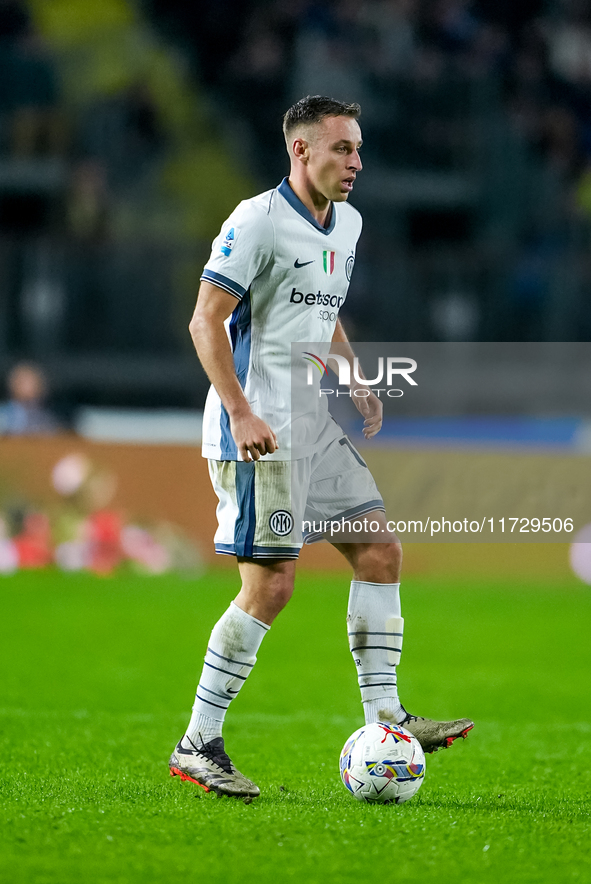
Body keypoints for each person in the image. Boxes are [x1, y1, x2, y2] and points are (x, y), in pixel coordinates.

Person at [169, 95, 473, 800]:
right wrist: (240, 413)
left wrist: (354, 377)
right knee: (271, 586)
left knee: (379, 550)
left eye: (359, 149)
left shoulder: (350, 223)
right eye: (342, 149)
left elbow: (322, 313)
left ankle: (387, 719)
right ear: (300, 150)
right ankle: (197, 742)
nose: (356, 163)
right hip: (259, 434)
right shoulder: (255, 221)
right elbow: (205, 322)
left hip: (313, 424)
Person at [0, 362, 60, 435]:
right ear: (12, 384)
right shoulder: (3, 415)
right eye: (23, 382)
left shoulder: (47, 419)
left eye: (32, 382)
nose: (28, 387)